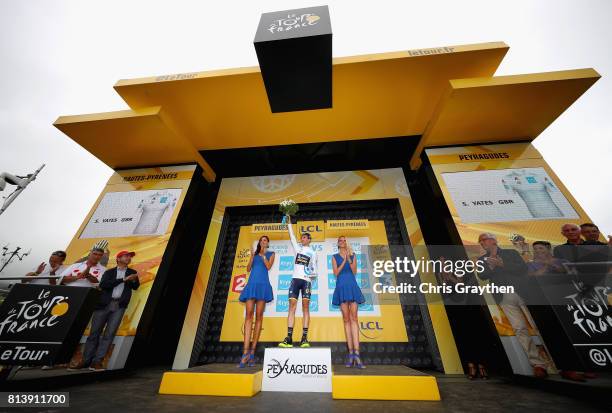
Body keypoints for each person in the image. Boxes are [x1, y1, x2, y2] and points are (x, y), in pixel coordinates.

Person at [476, 233, 549, 378]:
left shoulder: (510, 252)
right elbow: (482, 275)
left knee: (537, 325)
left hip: (524, 292)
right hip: (504, 296)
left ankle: (558, 363)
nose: (482, 243)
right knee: (519, 328)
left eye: (484, 240)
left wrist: (502, 264)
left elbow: (522, 268)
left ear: (493, 240)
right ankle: (538, 364)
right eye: (480, 241)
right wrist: (491, 265)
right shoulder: (481, 259)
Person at [74, 250, 140, 371]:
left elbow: (135, 287)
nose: (129, 258)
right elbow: (104, 285)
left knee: (109, 334)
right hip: (103, 305)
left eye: (130, 257)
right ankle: (85, 361)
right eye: (126, 256)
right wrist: (124, 279)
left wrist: (133, 280)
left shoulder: (132, 272)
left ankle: (97, 362)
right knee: (94, 333)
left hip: (119, 305)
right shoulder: (109, 271)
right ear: (118, 258)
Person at [279, 215, 318, 348]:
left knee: (306, 308)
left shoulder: (313, 253)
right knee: (292, 307)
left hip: (306, 281)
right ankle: (289, 338)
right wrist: (289, 223)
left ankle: (304, 338)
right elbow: (292, 236)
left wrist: (311, 273)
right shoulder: (298, 248)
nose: (302, 239)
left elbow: (315, 271)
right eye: (301, 237)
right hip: (295, 280)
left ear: (309, 240)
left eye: (305, 237)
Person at [238, 236, 275, 368]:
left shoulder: (271, 254)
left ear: (268, 243)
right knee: (248, 316)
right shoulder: (254, 254)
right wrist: (253, 257)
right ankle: (245, 353)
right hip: (252, 284)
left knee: (259, 317)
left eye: (265, 241)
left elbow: (269, 266)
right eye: (262, 240)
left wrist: (263, 255)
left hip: (263, 286)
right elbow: (248, 269)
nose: (263, 242)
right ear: (259, 242)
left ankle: (252, 353)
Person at [332, 236, 365, 369]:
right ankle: (350, 354)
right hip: (341, 287)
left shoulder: (353, 255)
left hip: (352, 286)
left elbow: (354, 271)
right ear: (338, 244)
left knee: (354, 319)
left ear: (347, 243)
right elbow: (336, 273)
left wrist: (349, 258)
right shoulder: (334, 257)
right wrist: (343, 260)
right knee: (346, 320)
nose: (342, 241)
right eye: (340, 240)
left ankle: (357, 354)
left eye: (344, 240)